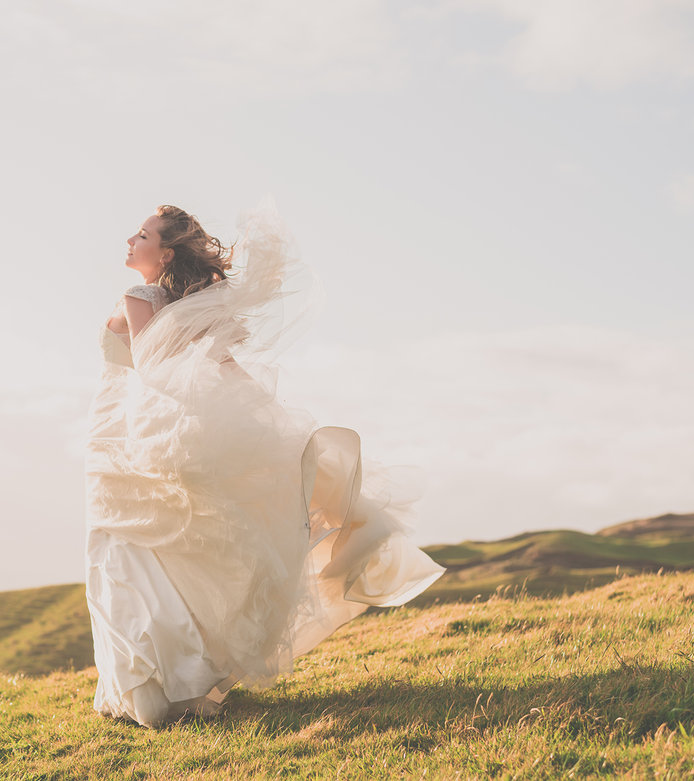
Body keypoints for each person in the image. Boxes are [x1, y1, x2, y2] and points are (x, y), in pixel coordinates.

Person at [85, 203, 444, 727]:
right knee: (146, 554)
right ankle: (172, 680)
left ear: (163, 253)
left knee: (119, 552)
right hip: (136, 427)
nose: (129, 240)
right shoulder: (174, 304)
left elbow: (149, 365)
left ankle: (147, 688)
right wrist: (263, 412)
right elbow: (220, 365)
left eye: (141, 235)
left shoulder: (141, 297)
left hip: (122, 431)